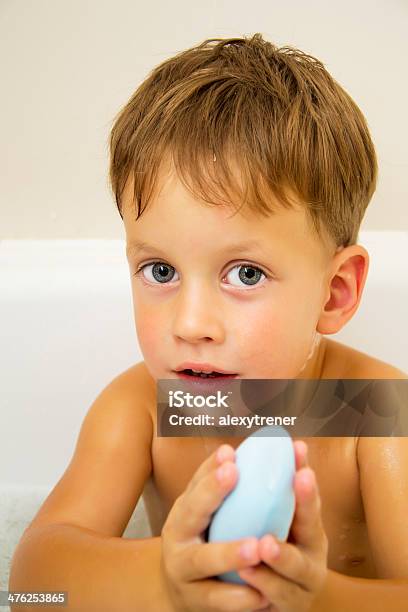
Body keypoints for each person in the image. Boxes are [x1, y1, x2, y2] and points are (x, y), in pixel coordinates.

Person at [9, 33, 408, 611]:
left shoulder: (373, 412)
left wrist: (320, 598)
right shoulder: (141, 410)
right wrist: (164, 577)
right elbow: (32, 583)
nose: (192, 323)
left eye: (245, 274)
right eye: (160, 269)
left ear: (334, 292)